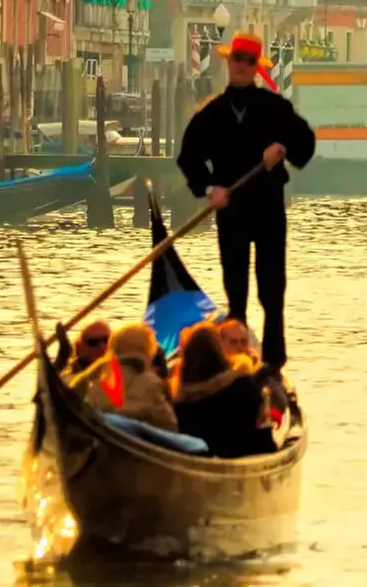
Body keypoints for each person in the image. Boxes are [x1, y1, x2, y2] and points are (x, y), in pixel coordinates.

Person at [176, 31, 317, 373]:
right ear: (229, 62)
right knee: (235, 285)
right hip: (232, 209)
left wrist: (282, 150)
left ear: (256, 67)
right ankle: (233, 352)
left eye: (249, 61)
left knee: (272, 286)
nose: (242, 65)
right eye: (237, 59)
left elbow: (305, 144)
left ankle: (273, 360)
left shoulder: (275, 108)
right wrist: (210, 189)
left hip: (268, 205)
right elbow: (188, 159)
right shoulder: (211, 114)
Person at [172, 321, 278, 458]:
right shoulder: (243, 386)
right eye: (234, 342)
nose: (239, 347)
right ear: (220, 355)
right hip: (245, 460)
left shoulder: (180, 403)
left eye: (243, 342)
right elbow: (263, 441)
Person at [83, 323, 178, 432]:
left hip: (105, 435)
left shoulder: (98, 381)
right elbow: (170, 425)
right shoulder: (151, 381)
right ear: (149, 349)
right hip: (139, 440)